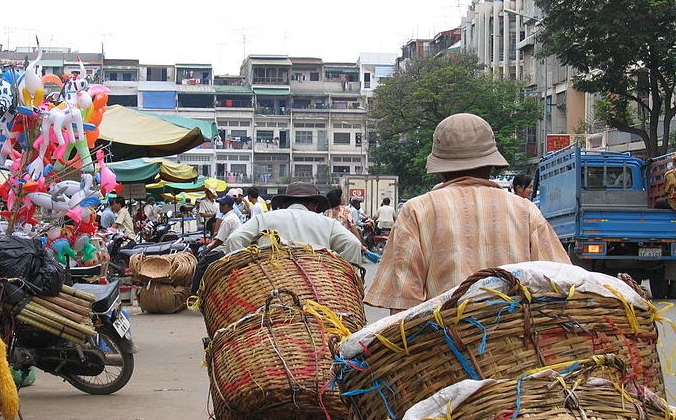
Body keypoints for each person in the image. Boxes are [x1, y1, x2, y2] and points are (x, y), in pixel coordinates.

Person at [365, 113, 570, 313]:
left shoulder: (417, 211)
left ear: (440, 169)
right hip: (517, 342)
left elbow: (403, 305)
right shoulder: (525, 211)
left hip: (443, 343)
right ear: (491, 164)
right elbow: (561, 283)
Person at [224, 182, 362, 264]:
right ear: (314, 205)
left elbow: (234, 240)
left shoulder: (264, 219)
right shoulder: (328, 224)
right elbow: (353, 244)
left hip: (268, 290)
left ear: (284, 203)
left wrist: (245, 275)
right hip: (318, 293)